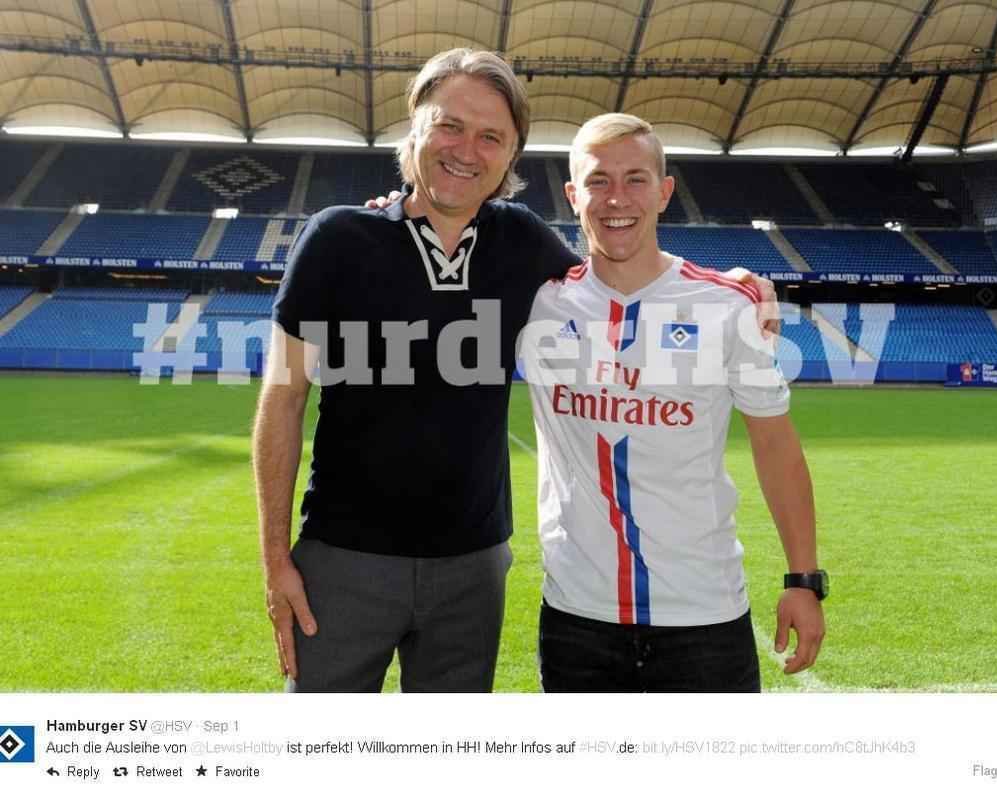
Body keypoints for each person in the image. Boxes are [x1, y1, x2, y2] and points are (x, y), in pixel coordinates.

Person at [254, 48, 777, 692]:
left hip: (472, 571)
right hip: (344, 561)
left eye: (490, 137)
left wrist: (732, 281)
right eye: (450, 126)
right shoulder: (336, 237)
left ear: (510, 156)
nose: (466, 149)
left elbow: (620, 260)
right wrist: (275, 559)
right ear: (414, 128)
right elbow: (281, 401)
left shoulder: (522, 241)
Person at [521, 113, 826, 692]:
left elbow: (777, 449)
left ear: (664, 192)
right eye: (598, 180)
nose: (617, 198)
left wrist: (803, 579)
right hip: (576, 618)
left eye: (635, 179)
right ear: (571, 195)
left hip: (704, 616)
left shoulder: (726, 304)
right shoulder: (538, 301)